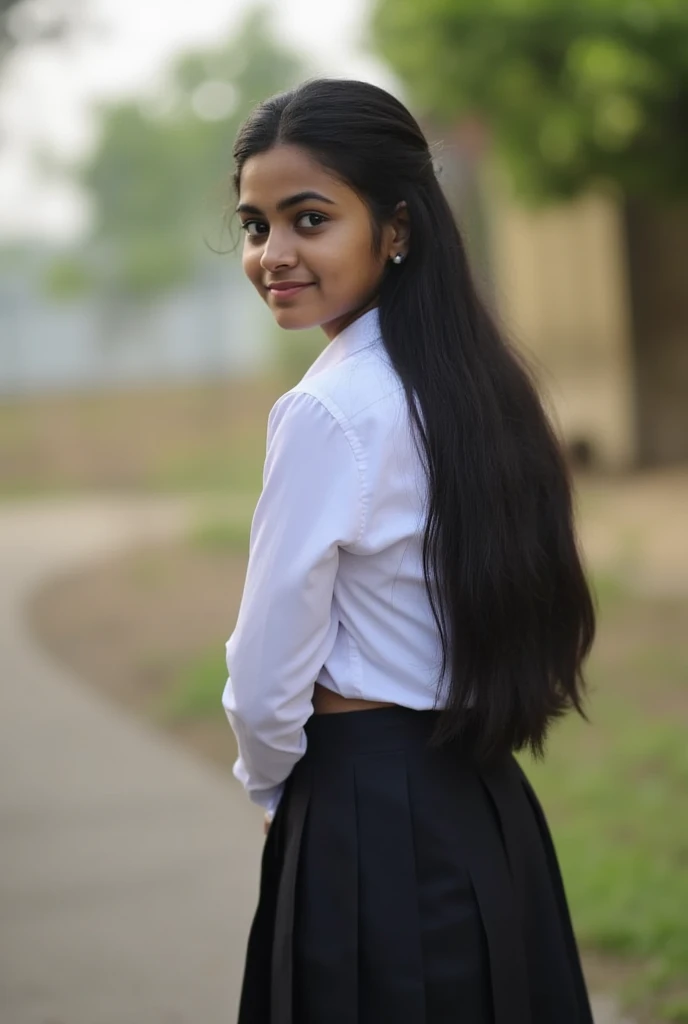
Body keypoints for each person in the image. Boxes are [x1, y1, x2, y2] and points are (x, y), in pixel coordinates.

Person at [221, 77, 596, 1024]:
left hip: (365, 813)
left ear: (395, 228)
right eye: (256, 224)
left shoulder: (326, 409)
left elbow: (268, 673)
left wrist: (275, 786)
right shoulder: (476, 383)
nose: (275, 254)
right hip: (486, 808)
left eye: (310, 218)